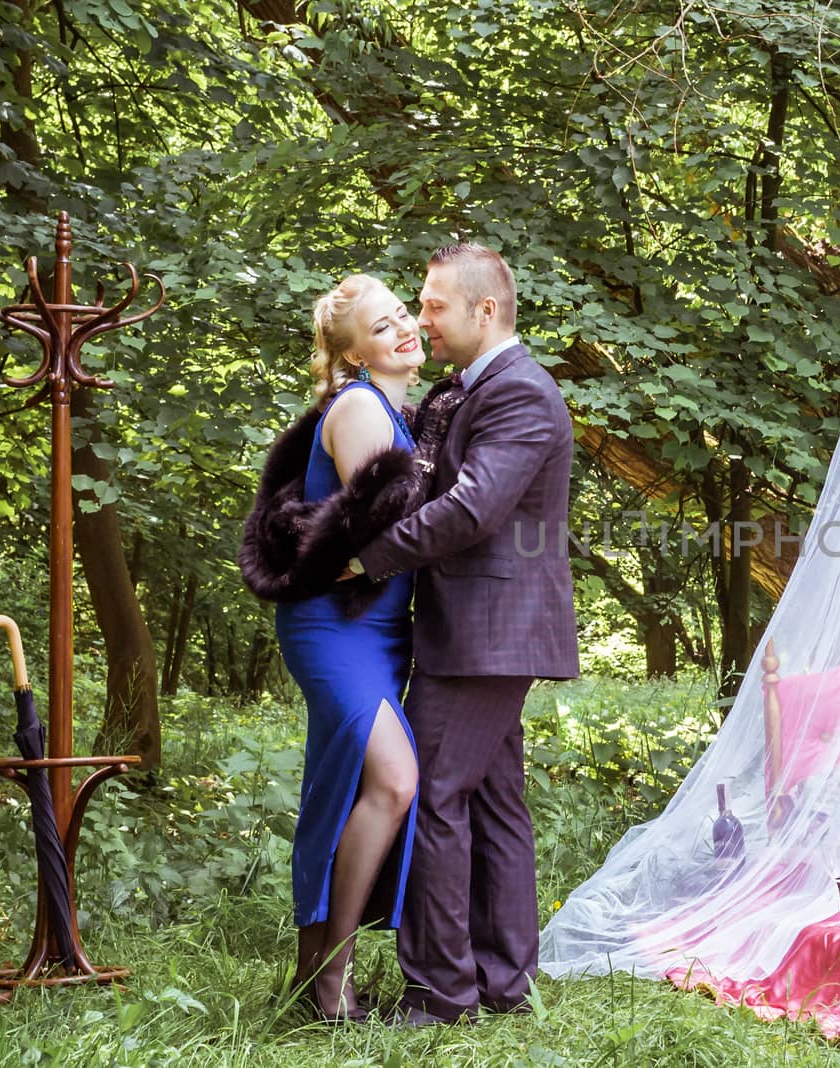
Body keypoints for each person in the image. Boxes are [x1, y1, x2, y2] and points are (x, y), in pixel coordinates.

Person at [349, 243, 580, 1025]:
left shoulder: (522, 393)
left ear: (486, 310)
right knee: (491, 802)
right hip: (481, 628)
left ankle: (441, 995)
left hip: (490, 631)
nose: (422, 319)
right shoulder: (476, 389)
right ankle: (501, 980)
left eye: (435, 304)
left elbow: (473, 508)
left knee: (432, 796)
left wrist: (366, 558)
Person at [240, 273, 440, 1021]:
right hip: (335, 625)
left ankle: (310, 976)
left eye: (403, 317)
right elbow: (375, 528)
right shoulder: (359, 406)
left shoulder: (395, 408)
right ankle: (330, 980)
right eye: (382, 326)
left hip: (380, 627)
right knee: (392, 782)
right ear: (354, 354)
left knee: (345, 789)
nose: (402, 330)